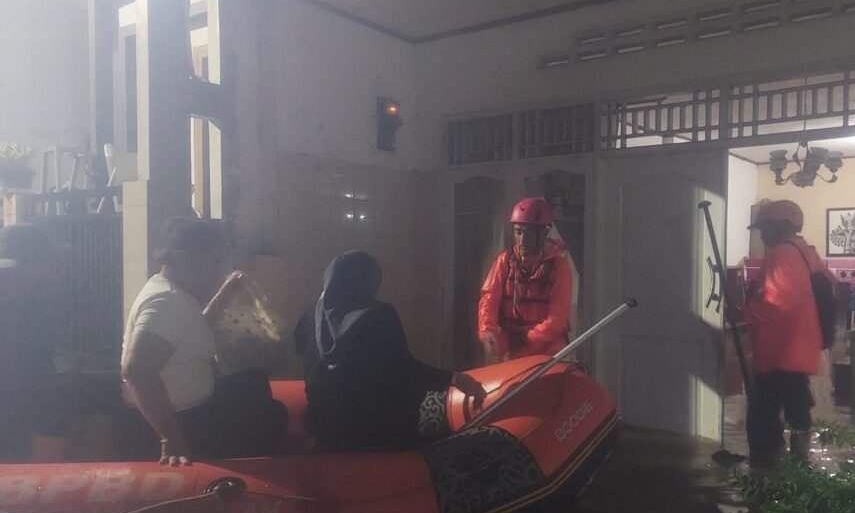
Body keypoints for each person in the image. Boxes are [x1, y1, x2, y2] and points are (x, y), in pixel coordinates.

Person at [120, 218, 286, 464]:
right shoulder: (167, 301)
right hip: (184, 420)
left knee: (252, 382)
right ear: (185, 260)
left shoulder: (174, 294)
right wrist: (171, 439)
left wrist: (226, 292)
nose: (220, 272)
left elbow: (195, 329)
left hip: (189, 409)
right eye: (215, 263)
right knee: (273, 415)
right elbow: (137, 371)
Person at [295, 251, 486, 452]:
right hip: (371, 434)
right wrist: (453, 378)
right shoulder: (379, 315)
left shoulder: (312, 315)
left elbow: (299, 346)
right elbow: (405, 372)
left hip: (323, 429)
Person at [740, 200, 829, 467]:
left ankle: (768, 469)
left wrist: (743, 316)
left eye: (764, 229)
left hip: (779, 351)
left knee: (764, 414)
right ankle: (800, 463)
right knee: (797, 408)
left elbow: (774, 302)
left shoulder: (781, 255)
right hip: (799, 349)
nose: (762, 236)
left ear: (780, 227)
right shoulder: (806, 252)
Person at [478, 198, 573, 361]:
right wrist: (487, 331)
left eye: (528, 233)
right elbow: (489, 299)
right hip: (511, 352)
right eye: (518, 232)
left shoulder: (559, 266)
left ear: (543, 233)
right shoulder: (504, 261)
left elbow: (557, 318)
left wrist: (527, 343)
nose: (522, 240)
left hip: (549, 354)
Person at [0, 225, 64, 462]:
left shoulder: (25, 297)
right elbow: (31, 366)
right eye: (50, 260)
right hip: (21, 412)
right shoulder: (25, 301)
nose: (56, 269)